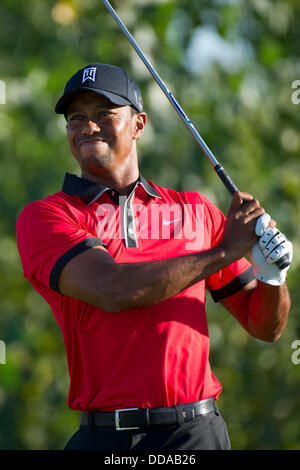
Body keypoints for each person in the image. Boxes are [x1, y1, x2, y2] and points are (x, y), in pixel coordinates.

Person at [16, 63, 292, 451]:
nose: (87, 126)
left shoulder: (195, 211)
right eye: (76, 117)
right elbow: (111, 289)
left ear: (139, 125)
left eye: (104, 114)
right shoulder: (46, 217)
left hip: (196, 433)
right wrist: (226, 251)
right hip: (106, 438)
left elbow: (264, 326)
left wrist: (271, 276)